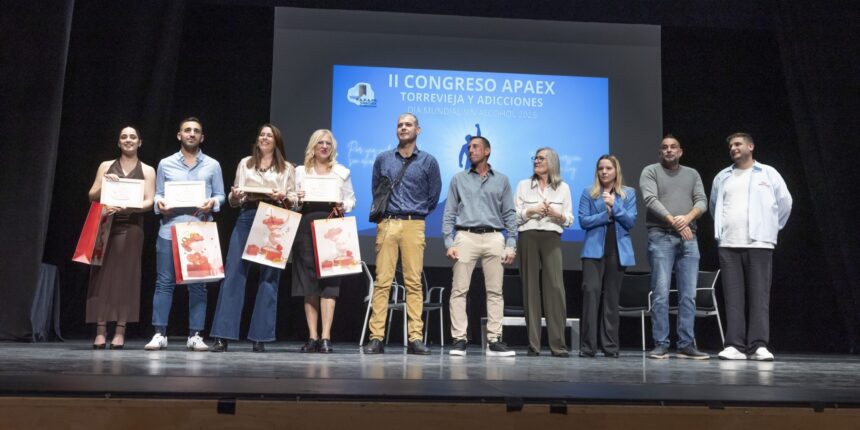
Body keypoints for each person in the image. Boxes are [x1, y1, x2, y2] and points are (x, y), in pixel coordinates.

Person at [209, 124, 295, 353]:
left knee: (269, 278)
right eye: (262, 135)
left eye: (270, 135)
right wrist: (235, 195)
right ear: (257, 140)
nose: (265, 138)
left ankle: (260, 336)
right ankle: (222, 335)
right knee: (234, 274)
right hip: (247, 216)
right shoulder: (245, 163)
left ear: (276, 141)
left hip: (274, 217)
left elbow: (296, 200)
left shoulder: (286, 168)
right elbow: (233, 198)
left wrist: (284, 195)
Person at [363, 113, 441, 355]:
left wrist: (415, 213)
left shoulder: (428, 161)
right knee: (383, 281)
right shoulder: (383, 159)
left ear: (418, 130)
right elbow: (377, 189)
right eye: (399, 125)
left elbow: (433, 196)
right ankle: (376, 338)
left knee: (414, 283)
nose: (403, 128)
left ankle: (415, 338)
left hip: (414, 223)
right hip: (387, 223)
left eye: (408, 124)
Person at [145, 117, 225, 351]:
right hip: (170, 229)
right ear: (179, 135)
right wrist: (160, 204)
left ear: (202, 137)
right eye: (187, 130)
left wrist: (213, 202)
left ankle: (196, 335)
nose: (191, 134)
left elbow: (220, 195)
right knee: (164, 283)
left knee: (198, 286)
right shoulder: (165, 163)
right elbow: (158, 194)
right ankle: (159, 333)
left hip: (200, 230)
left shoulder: (213, 164)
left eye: (196, 131)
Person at [710, 132, 792, 361]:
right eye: (731, 146)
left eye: (738, 144)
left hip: (760, 243)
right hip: (728, 242)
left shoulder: (768, 173)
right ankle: (734, 345)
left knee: (759, 295)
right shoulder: (722, 176)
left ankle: (758, 345)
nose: (734, 148)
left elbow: (785, 202)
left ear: (751, 146)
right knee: (733, 296)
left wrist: (771, 229)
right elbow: (715, 203)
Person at [443, 135, 519, 357]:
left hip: (495, 237)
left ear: (487, 151)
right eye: (469, 147)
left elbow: (509, 213)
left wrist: (511, 243)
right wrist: (449, 241)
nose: (471, 150)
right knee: (459, 290)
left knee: (495, 291)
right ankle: (459, 339)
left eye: (475, 147)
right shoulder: (459, 179)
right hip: (466, 236)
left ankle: (494, 339)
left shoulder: (502, 180)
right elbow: (449, 213)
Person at [639, 135, 709, 360]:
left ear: (680, 151)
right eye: (664, 148)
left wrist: (686, 219)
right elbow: (650, 199)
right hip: (661, 236)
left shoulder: (692, 174)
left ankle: (686, 344)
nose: (669, 151)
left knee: (688, 295)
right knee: (660, 293)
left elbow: (702, 201)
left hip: (689, 238)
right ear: (660, 153)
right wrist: (674, 222)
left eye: (673, 147)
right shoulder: (650, 171)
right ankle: (661, 343)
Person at [85, 126, 156, 349]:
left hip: (132, 227)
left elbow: (149, 201)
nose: (128, 140)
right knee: (102, 277)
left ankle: (120, 331)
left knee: (127, 279)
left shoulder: (147, 170)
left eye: (132, 137)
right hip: (106, 226)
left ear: (140, 142)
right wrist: (105, 182)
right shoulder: (106, 166)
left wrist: (131, 207)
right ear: (118, 142)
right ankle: (100, 329)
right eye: (123, 136)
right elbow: (91, 196)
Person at [292, 129, 355, 354]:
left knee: (330, 283)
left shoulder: (341, 172)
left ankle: (326, 337)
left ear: (333, 148)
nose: (325, 146)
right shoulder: (300, 172)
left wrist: (342, 205)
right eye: (320, 143)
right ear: (313, 146)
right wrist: (296, 200)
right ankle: (312, 337)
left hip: (332, 225)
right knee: (309, 283)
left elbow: (351, 200)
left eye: (328, 143)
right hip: (306, 226)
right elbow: (292, 202)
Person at [514, 147, 574, 357]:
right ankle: (534, 345)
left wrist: (555, 213)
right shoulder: (523, 185)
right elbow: (514, 217)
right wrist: (531, 211)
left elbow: (569, 219)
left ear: (552, 162)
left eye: (541, 158)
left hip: (551, 237)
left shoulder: (563, 188)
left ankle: (558, 345)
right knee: (530, 290)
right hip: (528, 236)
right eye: (535, 158)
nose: (537, 161)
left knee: (555, 289)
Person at [578, 155, 637, 358]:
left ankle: (610, 347)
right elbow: (584, 221)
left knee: (611, 299)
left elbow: (631, 221)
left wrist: (615, 205)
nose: (604, 172)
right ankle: (588, 347)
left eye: (608, 168)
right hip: (593, 252)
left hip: (617, 251)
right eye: (601, 168)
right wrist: (607, 214)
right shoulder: (589, 193)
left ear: (616, 171)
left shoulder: (628, 194)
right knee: (591, 295)